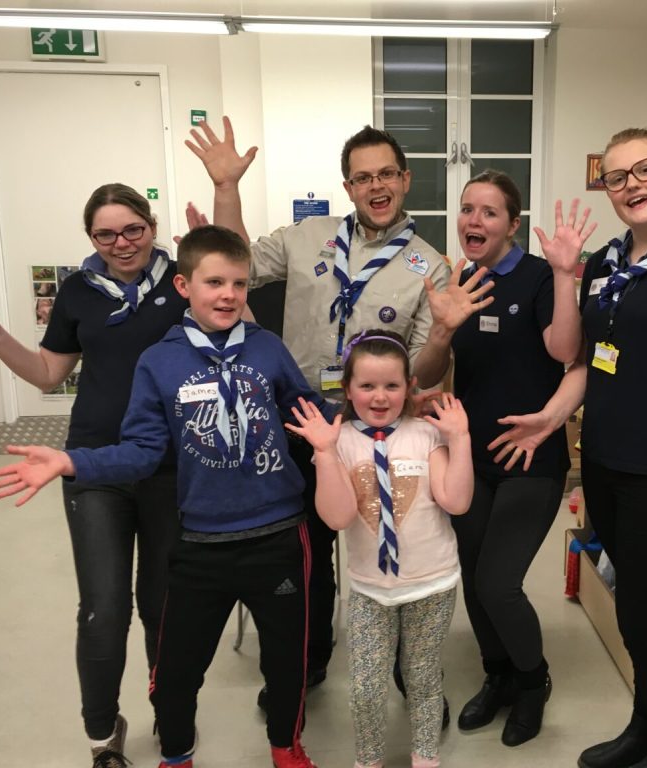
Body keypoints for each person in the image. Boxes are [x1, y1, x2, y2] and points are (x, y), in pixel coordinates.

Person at [0, 225, 330, 768]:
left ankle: (286, 748)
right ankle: (177, 754)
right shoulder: (159, 361)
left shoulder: (266, 348)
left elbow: (311, 412)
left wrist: (378, 417)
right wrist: (73, 461)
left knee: (287, 663)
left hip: (279, 536)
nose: (229, 295)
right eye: (214, 282)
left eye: (239, 284)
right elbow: (142, 450)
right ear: (183, 285)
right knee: (175, 673)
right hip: (201, 543)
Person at [488, 129, 647, 768]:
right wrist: (550, 418)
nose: (632, 185)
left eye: (645, 169)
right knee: (639, 608)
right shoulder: (606, 262)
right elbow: (580, 359)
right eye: (617, 176)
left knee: (642, 613)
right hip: (604, 461)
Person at [186, 117, 454, 705]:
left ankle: (411, 672)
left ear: (405, 180)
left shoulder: (429, 266)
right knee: (304, 554)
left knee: (395, 545)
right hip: (297, 422)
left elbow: (423, 373)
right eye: (363, 177)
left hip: (376, 427)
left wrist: (443, 334)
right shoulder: (308, 237)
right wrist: (227, 188)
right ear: (348, 186)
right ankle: (307, 662)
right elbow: (237, 264)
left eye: (387, 174)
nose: (376, 185)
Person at [0, 183, 186, 768]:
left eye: (133, 229)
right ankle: (103, 734)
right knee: (103, 609)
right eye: (105, 234)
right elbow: (48, 372)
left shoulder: (181, 281)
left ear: (151, 225)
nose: (122, 243)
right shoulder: (76, 291)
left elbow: (232, 322)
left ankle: (169, 707)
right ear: (90, 238)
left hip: (169, 465)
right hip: (92, 463)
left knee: (164, 603)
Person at [414, 170, 594, 746]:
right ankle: (499, 675)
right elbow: (427, 375)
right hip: (470, 457)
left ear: (512, 224)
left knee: (498, 583)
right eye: (468, 209)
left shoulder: (539, 277)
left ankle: (533, 681)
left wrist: (564, 274)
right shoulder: (459, 281)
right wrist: (442, 329)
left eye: (489, 212)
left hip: (530, 457)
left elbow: (565, 352)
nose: (474, 220)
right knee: (473, 577)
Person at [286, 329, 473, 768]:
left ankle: (426, 757)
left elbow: (456, 501)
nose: (380, 396)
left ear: (410, 386)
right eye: (367, 385)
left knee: (422, 676)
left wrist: (460, 439)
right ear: (347, 388)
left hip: (432, 583)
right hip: (371, 589)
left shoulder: (425, 435)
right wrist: (325, 453)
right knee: (366, 686)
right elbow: (337, 517)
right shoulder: (339, 441)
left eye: (392, 385)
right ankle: (368, 760)